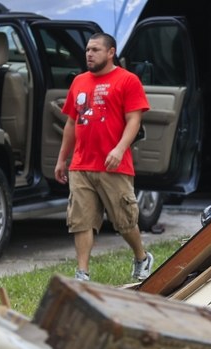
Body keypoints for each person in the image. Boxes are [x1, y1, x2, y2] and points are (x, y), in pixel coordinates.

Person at [53, 33, 153, 282]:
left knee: (124, 221)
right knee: (81, 221)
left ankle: (141, 257)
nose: (89, 54)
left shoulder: (127, 80)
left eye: (96, 49)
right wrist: (61, 159)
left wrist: (119, 149)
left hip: (114, 165)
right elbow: (70, 123)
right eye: (87, 49)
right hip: (81, 164)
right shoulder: (78, 82)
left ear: (111, 52)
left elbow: (134, 120)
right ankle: (82, 273)